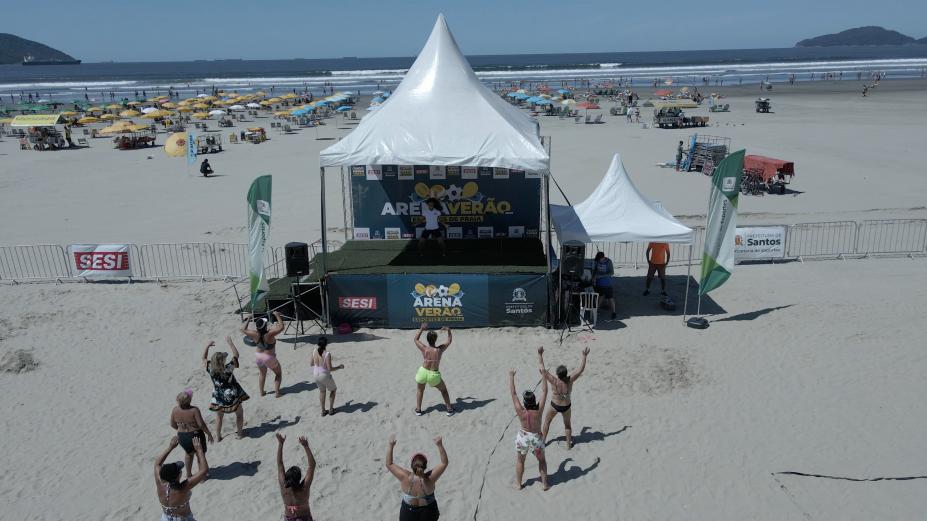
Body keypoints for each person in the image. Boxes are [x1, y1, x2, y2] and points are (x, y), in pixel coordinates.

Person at [386, 434, 448, 521]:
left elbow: (389, 464)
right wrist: (440, 445)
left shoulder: (405, 477)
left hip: (408, 514)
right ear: (425, 466)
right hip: (428, 513)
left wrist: (390, 446)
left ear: (412, 466)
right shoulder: (430, 478)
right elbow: (444, 463)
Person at [538, 346, 590, 449]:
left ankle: (543, 442)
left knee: (547, 422)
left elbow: (542, 369)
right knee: (567, 425)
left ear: (557, 374)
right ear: (566, 373)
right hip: (566, 406)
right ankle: (568, 445)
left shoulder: (554, 380)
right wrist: (584, 356)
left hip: (555, 405)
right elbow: (580, 369)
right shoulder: (570, 380)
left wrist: (540, 355)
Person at [509, 363, 549, 490]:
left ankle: (518, 484)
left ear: (525, 402)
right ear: (534, 400)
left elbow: (513, 393)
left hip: (523, 438)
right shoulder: (539, 410)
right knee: (541, 460)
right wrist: (544, 376)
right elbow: (545, 391)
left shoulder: (520, 411)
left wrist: (511, 377)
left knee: (520, 461)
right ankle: (545, 484)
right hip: (536, 439)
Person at [204, 338, 250, 441]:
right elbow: (236, 355)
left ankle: (218, 436)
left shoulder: (210, 368)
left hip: (218, 396)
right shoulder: (228, 368)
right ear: (223, 361)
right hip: (232, 396)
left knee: (219, 417)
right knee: (239, 414)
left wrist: (207, 346)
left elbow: (204, 358)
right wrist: (231, 343)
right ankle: (239, 434)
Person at [155, 435, 208, 521]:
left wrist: (170, 447)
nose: (181, 471)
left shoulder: (160, 483)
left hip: (165, 518)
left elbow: (157, 464)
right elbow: (204, 470)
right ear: (178, 476)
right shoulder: (183, 488)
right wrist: (199, 450)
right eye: (180, 470)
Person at [169, 389, 213, 479]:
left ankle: (189, 474)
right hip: (195, 435)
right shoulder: (194, 410)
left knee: (188, 454)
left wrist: (181, 429)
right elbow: (201, 425)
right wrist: (209, 434)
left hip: (182, 436)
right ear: (189, 400)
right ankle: (202, 477)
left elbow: (172, 424)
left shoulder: (175, 410)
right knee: (200, 454)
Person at [413, 323, 454, 416]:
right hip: (433, 374)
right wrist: (449, 330)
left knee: (420, 390)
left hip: (423, 372)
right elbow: (449, 340)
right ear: (435, 339)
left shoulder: (424, 349)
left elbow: (415, 339)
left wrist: (421, 329)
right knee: (443, 390)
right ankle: (449, 409)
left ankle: (418, 410)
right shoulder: (439, 350)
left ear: (427, 339)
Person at [242, 312, 285, 397]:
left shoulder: (254, 334)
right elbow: (281, 327)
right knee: (278, 374)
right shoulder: (270, 334)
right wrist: (277, 315)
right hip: (269, 357)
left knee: (262, 374)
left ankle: (262, 392)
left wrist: (249, 318)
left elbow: (243, 329)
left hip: (259, 356)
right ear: (265, 326)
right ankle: (277, 393)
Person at [275, 433, 316, 521]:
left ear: (286, 477)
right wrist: (306, 446)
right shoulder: (304, 489)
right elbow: (312, 466)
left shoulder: (284, 486)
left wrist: (281, 444)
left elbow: (280, 464)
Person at [311, 336, 344, 416]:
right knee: (333, 390)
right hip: (324, 375)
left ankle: (323, 411)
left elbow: (311, 363)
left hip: (315, 374)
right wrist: (339, 367)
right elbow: (330, 369)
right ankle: (331, 409)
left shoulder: (314, 350)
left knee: (322, 391)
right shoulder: (327, 354)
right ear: (326, 344)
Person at [593, 252, 617, 319]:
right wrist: (595, 276)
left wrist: (601, 276)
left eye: (600, 259)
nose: (599, 261)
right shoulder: (597, 261)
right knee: (600, 296)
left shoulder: (609, 262)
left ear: (603, 258)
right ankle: (597, 310)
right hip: (599, 283)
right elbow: (595, 270)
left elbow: (612, 272)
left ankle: (614, 312)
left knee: (610, 298)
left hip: (607, 284)